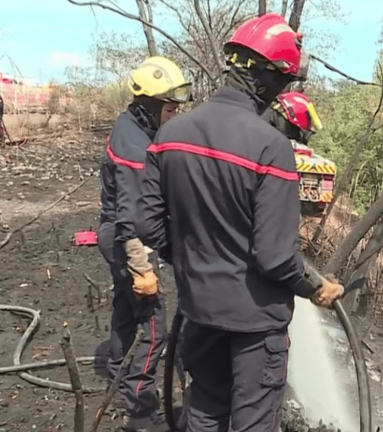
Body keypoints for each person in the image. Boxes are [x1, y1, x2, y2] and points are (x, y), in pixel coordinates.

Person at [136, 13, 344, 432]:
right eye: (284, 83)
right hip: (255, 328)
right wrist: (315, 286)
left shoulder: (171, 134)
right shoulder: (271, 147)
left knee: (205, 412)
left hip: (199, 312)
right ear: (269, 80)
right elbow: (274, 256)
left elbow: (147, 224)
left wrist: (193, 260)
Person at [96, 55, 191, 432]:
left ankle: (118, 374)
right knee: (155, 326)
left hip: (112, 235)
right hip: (125, 241)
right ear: (151, 105)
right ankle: (142, 411)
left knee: (124, 309)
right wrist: (142, 268)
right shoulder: (135, 147)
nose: (174, 115)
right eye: (170, 109)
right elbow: (131, 218)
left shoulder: (131, 125)